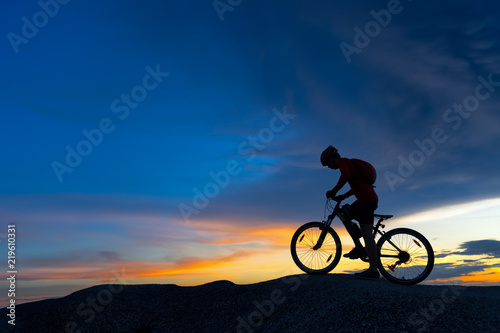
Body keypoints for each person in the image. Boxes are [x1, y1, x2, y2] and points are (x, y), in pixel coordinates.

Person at [320, 145, 379, 279]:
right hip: (365, 199)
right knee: (346, 213)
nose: (328, 167)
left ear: (331, 158)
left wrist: (334, 191)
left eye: (327, 164)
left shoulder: (343, 162)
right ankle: (359, 245)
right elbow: (356, 188)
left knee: (367, 235)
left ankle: (373, 270)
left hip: (366, 201)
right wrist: (342, 197)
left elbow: (345, 176)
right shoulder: (350, 166)